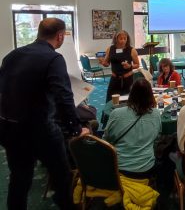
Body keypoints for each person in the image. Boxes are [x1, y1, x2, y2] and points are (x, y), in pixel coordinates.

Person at [0, 18, 89, 210]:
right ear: (59, 36)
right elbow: (64, 97)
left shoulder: (11, 56)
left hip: (9, 128)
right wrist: (75, 129)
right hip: (39, 130)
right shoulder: (53, 58)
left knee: (19, 180)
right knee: (62, 178)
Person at [104, 78, 162, 179]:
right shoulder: (156, 114)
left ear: (131, 94)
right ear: (151, 95)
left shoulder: (116, 114)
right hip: (146, 168)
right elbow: (157, 138)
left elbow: (107, 139)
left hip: (119, 168)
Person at [100, 30, 140, 102]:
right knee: (111, 101)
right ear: (116, 39)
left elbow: (137, 64)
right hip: (114, 79)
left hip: (127, 80)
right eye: (121, 38)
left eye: (125, 38)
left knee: (128, 102)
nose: (123, 41)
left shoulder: (132, 50)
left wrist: (130, 66)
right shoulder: (110, 49)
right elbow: (107, 63)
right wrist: (103, 63)